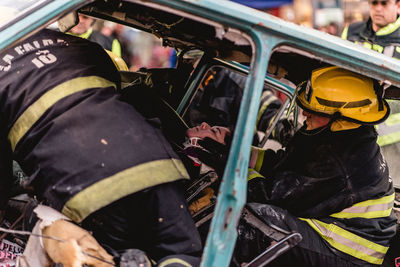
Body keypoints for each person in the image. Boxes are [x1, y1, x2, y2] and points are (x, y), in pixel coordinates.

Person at [0, 28, 202, 266]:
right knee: (182, 252)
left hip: (88, 187)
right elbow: (117, 95)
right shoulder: (75, 43)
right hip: (154, 161)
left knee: (114, 257)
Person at [235, 66, 397, 266]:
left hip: (349, 253)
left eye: (313, 110)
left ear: (341, 119)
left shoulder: (340, 160)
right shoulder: (341, 137)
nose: (304, 113)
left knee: (257, 219)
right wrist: (239, 152)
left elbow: (272, 196)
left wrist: (232, 165)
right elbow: (287, 168)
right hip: (337, 233)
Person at [341, 0, 400, 189]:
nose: (378, 8)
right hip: (352, 134)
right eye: (374, 3)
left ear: (398, 5)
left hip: (395, 146)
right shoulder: (352, 32)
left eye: (384, 3)